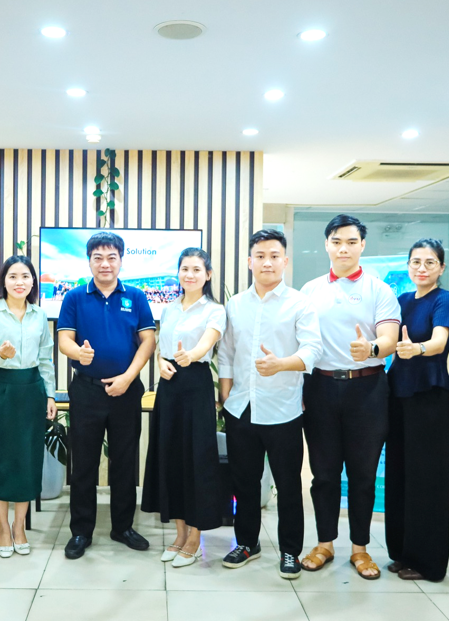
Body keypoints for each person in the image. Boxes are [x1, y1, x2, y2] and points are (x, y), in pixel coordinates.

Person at [299, 214, 400, 579]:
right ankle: (324, 543)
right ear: (327, 245)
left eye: (351, 242)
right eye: (337, 241)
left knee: (363, 474)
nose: (344, 248)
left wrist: (371, 348)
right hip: (321, 387)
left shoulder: (379, 290)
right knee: (324, 474)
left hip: (367, 389)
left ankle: (360, 549)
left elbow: (389, 338)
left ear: (362, 246)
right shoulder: (310, 291)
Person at [218, 229, 322, 580]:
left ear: (285, 261)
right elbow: (226, 353)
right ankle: (247, 543)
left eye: (274, 256)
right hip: (241, 408)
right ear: (250, 261)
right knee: (244, 483)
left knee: (288, 485)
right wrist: (226, 395)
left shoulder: (300, 304)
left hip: (283, 409)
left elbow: (313, 350)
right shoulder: (235, 305)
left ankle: (290, 550)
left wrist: (281, 364)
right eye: (260, 256)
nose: (267, 262)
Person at [57, 231, 157, 560]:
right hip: (86, 390)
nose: (105, 263)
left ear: (121, 260)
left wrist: (128, 378)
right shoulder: (74, 297)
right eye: (98, 257)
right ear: (89, 261)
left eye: (111, 257)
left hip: (126, 391)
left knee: (125, 462)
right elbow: (65, 340)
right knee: (84, 463)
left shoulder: (136, 296)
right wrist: (79, 353)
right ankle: (81, 531)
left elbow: (148, 341)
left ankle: (122, 527)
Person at [142, 248, 226, 568]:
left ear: (207, 275)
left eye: (196, 269)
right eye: (184, 269)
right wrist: (160, 362)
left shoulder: (215, 310)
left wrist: (191, 355)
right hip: (169, 386)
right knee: (171, 457)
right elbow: (162, 348)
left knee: (196, 459)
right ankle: (179, 534)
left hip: (196, 384)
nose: (189, 275)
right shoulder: (169, 309)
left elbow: (207, 343)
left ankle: (195, 537)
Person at [0, 255, 57, 559]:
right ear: (4, 281)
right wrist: (2, 354)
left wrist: (50, 395)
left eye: (25, 276)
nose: (19, 282)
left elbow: (46, 358)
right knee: (0, 459)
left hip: (32, 389)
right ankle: (2, 527)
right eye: (12, 276)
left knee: (27, 460)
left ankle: (19, 526)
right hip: (1, 388)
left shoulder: (39, 315)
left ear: (33, 281)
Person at [385, 238, 449, 582]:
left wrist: (417, 349)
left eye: (430, 263)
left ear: (441, 268)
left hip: (429, 397)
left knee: (427, 479)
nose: (422, 268)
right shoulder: (401, 301)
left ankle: (428, 562)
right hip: (398, 394)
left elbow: (440, 341)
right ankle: (402, 552)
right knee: (400, 474)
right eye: (416, 262)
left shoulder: (444, 299)